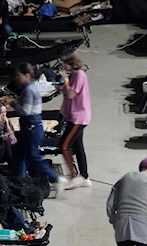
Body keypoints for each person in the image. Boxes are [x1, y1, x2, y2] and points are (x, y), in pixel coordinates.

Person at [7, 63, 67, 194]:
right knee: (19, 152)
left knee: (33, 156)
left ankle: (55, 179)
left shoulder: (29, 90)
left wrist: (13, 104)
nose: (17, 78)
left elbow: (25, 110)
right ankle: (19, 179)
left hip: (31, 126)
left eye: (19, 76)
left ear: (26, 75)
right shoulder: (31, 87)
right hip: (30, 126)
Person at [57, 54, 92, 190]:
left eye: (65, 64)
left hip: (79, 117)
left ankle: (74, 175)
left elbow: (71, 94)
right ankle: (84, 176)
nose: (63, 67)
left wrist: (65, 80)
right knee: (78, 146)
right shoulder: (74, 75)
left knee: (64, 146)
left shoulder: (79, 75)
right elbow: (67, 90)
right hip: (74, 115)